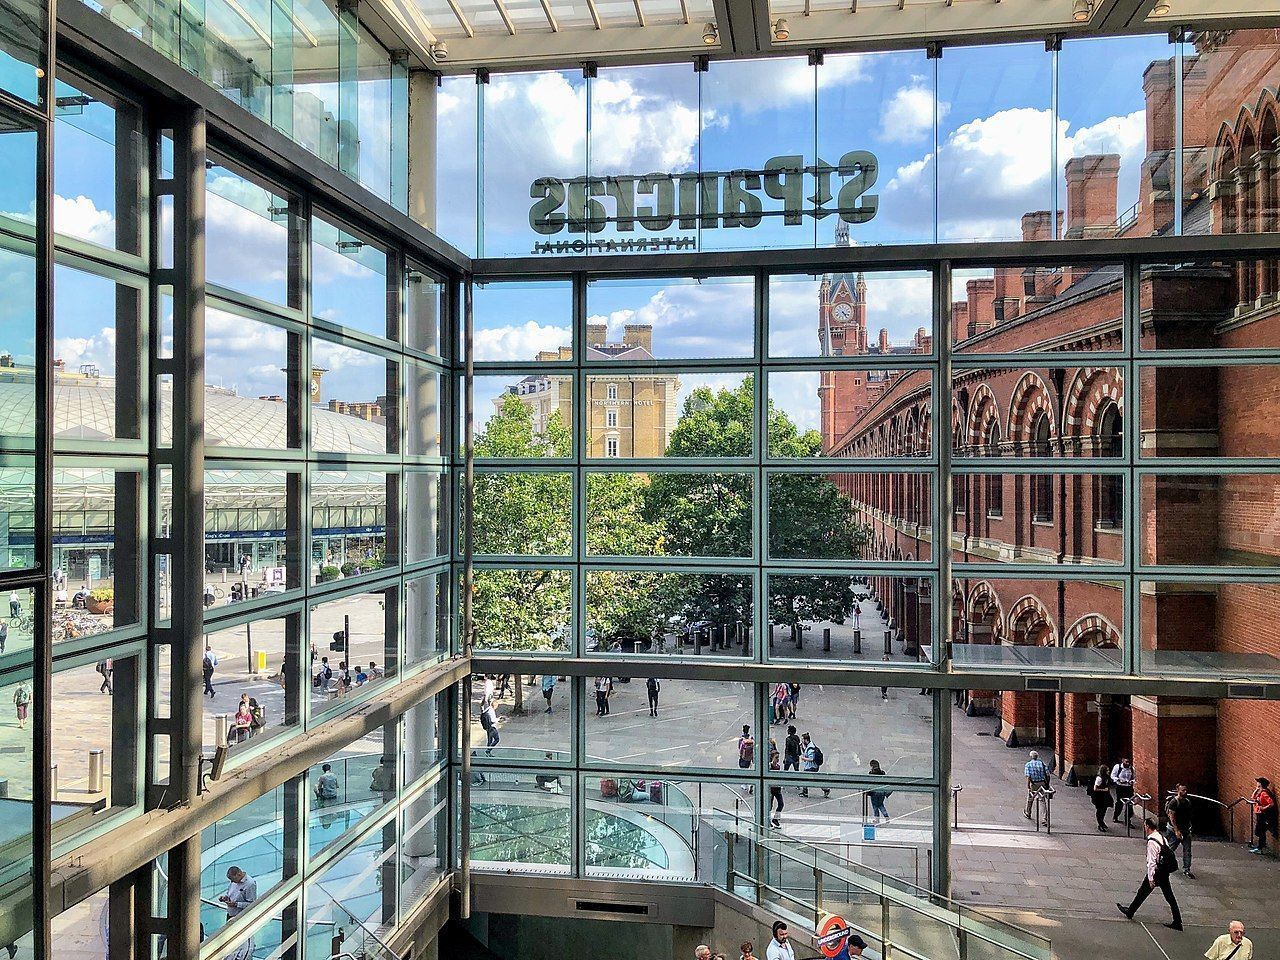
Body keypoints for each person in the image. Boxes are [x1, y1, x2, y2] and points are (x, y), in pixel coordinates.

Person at [1117, 817, 1182, 931]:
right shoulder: (1161, 837)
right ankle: (1177, 921)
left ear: (1147, 826)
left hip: (1157, 872)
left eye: (1145, 825)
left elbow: (1151, 862)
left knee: (1142, 892)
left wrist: (1151, 878)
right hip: (1164, 872)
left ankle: (1130, 912)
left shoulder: (1152, 841)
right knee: (1169, 897)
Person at [1165, 783, 1195, 878]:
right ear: (1178, 790)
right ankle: (1163, 863)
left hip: (1185, 829)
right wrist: (1176, 830)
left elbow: (1188, 816)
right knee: (1171, 848)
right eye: (1182, 790)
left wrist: (1190, 826)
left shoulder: (1187, 802)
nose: (1185, 792)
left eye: (1185, 790)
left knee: (1187, 850)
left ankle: (1187, 869)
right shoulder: (1174, 802)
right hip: (1175, 830)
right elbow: (1171, 817)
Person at [1249, 776, 1277, 855]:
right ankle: (1260, 846)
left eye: (1258, 785)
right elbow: (1253, 798)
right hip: (1259, 813)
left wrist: (1263, 807)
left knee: (1260, 831)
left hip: (1263, 814)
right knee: (1259, 830)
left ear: (1262, 785)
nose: (1257, 786)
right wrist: (1257, 790)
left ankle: (1260, 847)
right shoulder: (1260, 792)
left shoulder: (1264, 793)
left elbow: (1271, 803)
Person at [800, 733, 830, 798]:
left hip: (811, 767)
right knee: (812, 779)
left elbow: (811, 758)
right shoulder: (810, 745)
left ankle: (805, 792)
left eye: (802, 739)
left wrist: (803, 758)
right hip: (811, 766)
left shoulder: (810, 748)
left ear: (806, 740)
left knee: (807, 778)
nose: (802, 741)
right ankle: (825, 789)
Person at [1024, 750, 1050, 823]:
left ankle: (1028, 812)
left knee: (1030, 798)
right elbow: (1048, 775)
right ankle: (1045, 818)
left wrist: (1028, 785)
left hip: (1034, 784)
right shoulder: (1042, 764)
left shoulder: (1028, 765)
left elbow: (1028, 776)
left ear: (1031, 757)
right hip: (1042, 783)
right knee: (1042, 800)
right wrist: (1047, 784)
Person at [1112, 757, 1136, 824]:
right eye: (1126, 762)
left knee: (1130, 804)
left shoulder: (1132, 769)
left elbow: (1134, 778)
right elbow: (1113, 776)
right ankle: (1115, 816)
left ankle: (1127, 820)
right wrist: (1118, 780)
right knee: (1119, 803)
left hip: (1128, 788)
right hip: (1120, 787)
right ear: (1122, 761)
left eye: (1128, 762)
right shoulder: (1117, 767)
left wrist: (1131, 781)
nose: (1128, 763)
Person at [1089, 764, 1113, 832]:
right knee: (1100, 810)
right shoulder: (1099, 778)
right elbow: (1095, 788)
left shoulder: (1107, 778)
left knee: (1104, 810)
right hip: (1099, 797)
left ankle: (1102, 822)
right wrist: (1103, 790)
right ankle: (1100, 824)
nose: (1109, 771)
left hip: (1105, 796)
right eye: (1107, 770)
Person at [768, 740, 783, 827]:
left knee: (781, 804)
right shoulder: (770, 766)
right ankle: (768, 821)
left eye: (778, 758)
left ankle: (775, 819)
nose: (777, 759)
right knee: (769, 806)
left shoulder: (778, 766)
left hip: (777, 789)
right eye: (776, 758)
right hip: (771, 789)